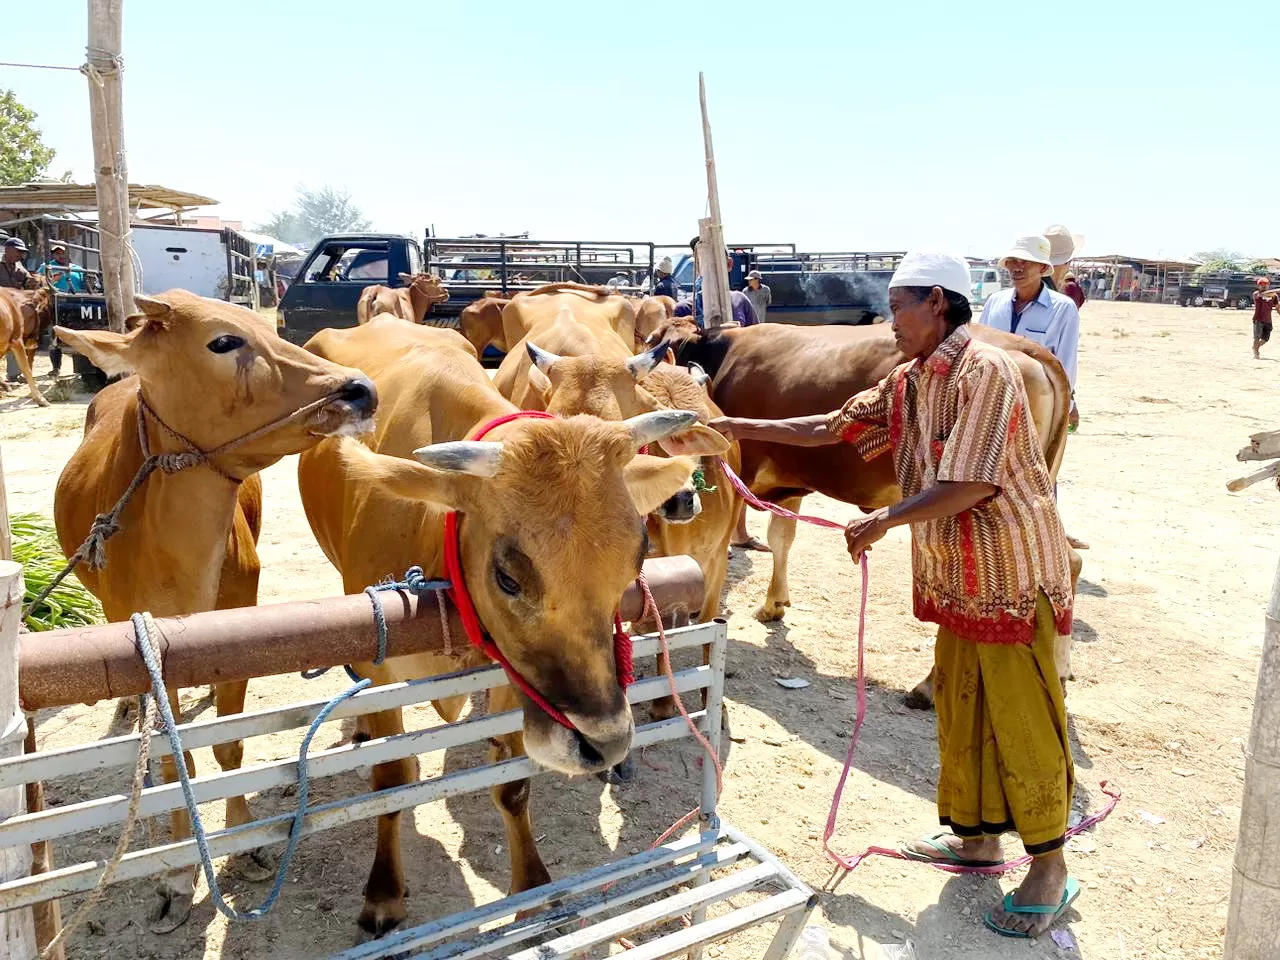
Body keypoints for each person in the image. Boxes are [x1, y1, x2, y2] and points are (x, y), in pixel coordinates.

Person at [709, 251, 1079, 940]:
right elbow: (829, 427)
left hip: (1009, 573)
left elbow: (971, 482)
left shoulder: (988, 374)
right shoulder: (913, 379)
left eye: (897, 306)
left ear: (936, 303)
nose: (889, 322)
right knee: (963, 711)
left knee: (1020, 722)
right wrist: (735, 428)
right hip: (957, 576)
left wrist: (882, 517)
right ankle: (976, 841)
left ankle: (1050, 870)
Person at [979, 235, 1086, 547]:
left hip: (1037, 405)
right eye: (1013, 261)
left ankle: (1043, 542)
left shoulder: (1063, 308)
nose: (1017, 267)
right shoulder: (995, 303)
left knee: (1038, 472)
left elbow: (1064, 363)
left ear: (1043, 268)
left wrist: (1067, 405)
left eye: (1025, 261)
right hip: (993, 401)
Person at [1252, 277, 1278, 359]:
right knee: (1257, 337)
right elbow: (1264, 294)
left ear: (1268, 285)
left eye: (1265, 284)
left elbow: (1277, 306)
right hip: (1258, 319)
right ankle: (1256, 352)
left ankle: (1255, 347)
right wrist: (1276, 291)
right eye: (1261, 285)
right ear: (1258, 286)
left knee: (1266, 338)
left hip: (1268, 320)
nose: (1263, 286)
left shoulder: (1274, 296)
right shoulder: (1256, 294)